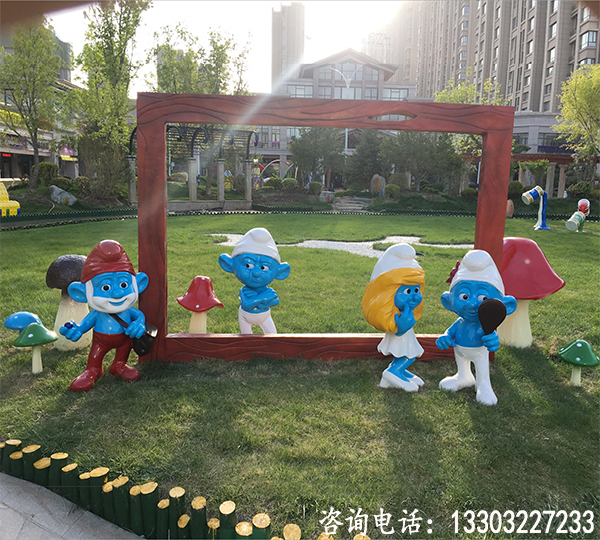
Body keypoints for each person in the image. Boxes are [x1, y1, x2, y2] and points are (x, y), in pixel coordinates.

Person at [60, 240, 149, 392]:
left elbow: (139, 316)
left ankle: (119, 365)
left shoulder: (128, 310)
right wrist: (77, 329)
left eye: (123, 285)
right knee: (96, 354)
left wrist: (139, 324)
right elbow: (85, 324)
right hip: (101, 340)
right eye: (105, 287)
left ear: (139, 284)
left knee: (124, 349)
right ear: (81, 293)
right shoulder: (97, 312)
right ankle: (93, 370)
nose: (117, 293)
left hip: (124, 339)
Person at [436, 249, 517, 405]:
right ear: (448, 301)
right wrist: (446, 337)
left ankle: (483, 385)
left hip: (479, 351)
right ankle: (463, 376)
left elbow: (492, 338)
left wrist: (493, 340)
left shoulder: (485, 325)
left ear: (504, 305)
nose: (472, 304)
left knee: (482, 367)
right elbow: (450, 331)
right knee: (461, 361)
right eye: (464, 296)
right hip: (459, 349)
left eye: (483, 298)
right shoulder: (460, 322)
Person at [362, 243, 425, 392]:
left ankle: (395, 374)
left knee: (401, 354)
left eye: (417, 290)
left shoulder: (403, 311)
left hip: (404, 337)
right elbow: (398, 331)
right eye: (408, 291)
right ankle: (392, 373)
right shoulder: (394, 314)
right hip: (401, 337)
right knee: (410, 355)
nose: (416, 296)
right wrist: (402, 326)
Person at [218, 228, 290, 334]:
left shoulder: (267, 290)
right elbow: (247, 305)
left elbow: (275, 301)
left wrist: (258, 303)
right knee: (247, 338)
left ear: (280, 272)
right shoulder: (245, 291)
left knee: (272, 336)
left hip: (265, 316)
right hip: (245, 317)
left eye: (264, 267)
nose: (256, 273)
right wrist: (262, 298)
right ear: (229, 265)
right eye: (248, 265)